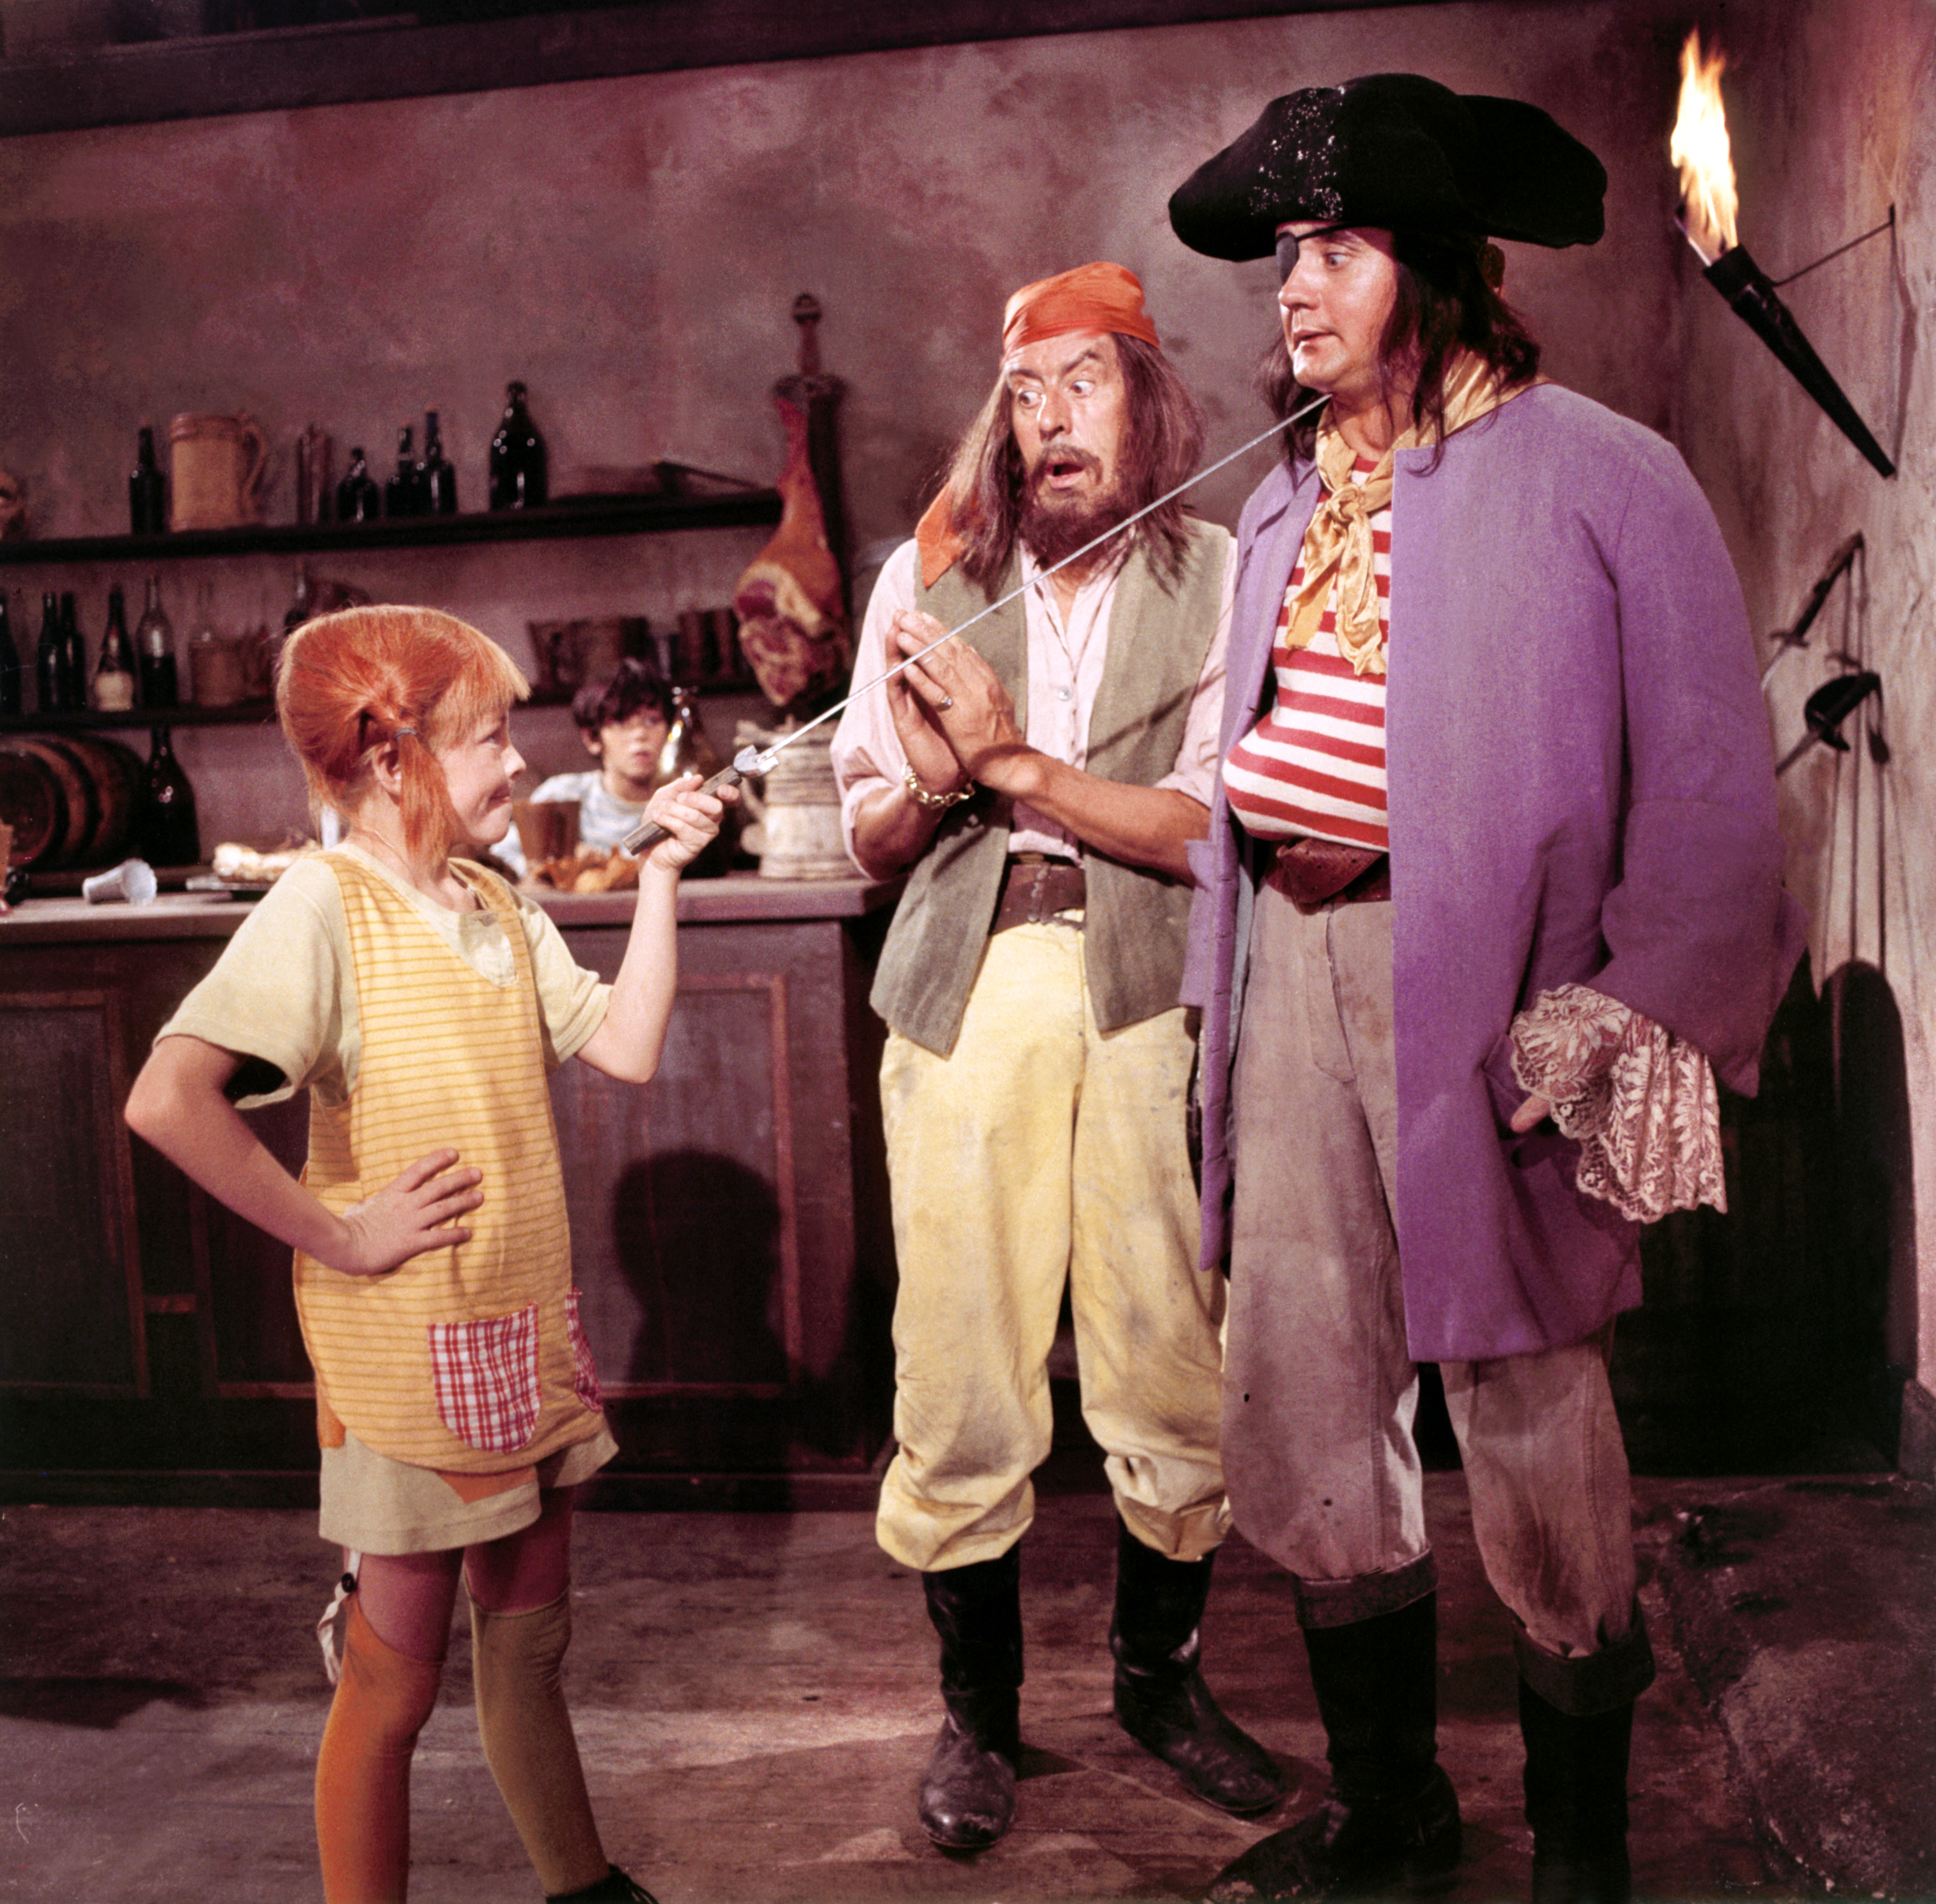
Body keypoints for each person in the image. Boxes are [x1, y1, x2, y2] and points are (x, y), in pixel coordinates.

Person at [1166, 77, 1807, 1903]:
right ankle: (1391, 1806)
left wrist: (1620, 1003)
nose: (1293, 288)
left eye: (1336, 250)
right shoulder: (1280, 504)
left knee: (1525, 1397)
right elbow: (1249, 755)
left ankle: (1577, 1842)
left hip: (1483, 992)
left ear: (1442, 270)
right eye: (1283, 256)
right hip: (1294, 976)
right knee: (1302, 1387)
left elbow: (1706, 788)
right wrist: (1221, 988)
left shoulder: (1603, 475)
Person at [124, 605, 732, 1904]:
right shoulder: (321, 904)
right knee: (390, 1684)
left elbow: (625, 1045)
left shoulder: (499, 902)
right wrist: (344, 1234)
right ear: (393, 758)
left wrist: (663, 878)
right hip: (408, 1367)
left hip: (522, 1339)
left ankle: (582, 1886)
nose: (517, 761)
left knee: (530, 1655)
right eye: (489, 737)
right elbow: (166, 1099)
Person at [830, 261, 1283, 1852]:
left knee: (1169, 1353)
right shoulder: (929, 577)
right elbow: (870, 829)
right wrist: (934, 783)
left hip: (1151, 989)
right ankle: (978, 1719)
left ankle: (1159, 1683)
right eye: (1023, 394)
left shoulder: (1223, 571)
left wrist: (1012, 761)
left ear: (1146, 399)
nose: (1047, 421)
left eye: (1081, 382)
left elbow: (1209, 827)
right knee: (959, 1356)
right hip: (970, 991)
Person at [495, 656, 674, 876]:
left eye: (653, 720)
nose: (640, 734)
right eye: (620, 722)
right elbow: (502, 855)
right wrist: (559, 867)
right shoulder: (563, 795)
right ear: (592, 738)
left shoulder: (680, 801)